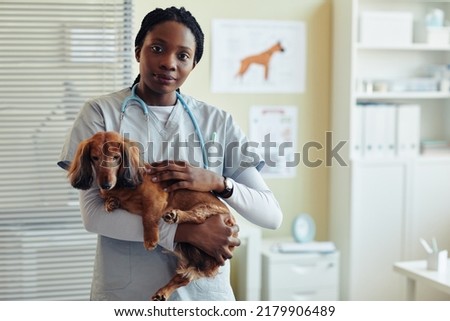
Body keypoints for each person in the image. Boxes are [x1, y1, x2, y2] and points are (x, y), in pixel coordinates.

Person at [58, 6, 282, 301]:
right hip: (128, 297)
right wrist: (183, 232)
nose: (168, 63)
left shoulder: (218, 122)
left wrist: (218, 183)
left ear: (193, 64)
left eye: (183, 56)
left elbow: (271, 215)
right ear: (138, 51)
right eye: (157, 48)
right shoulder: (101, 114)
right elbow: (95, 216)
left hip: (205, 298)